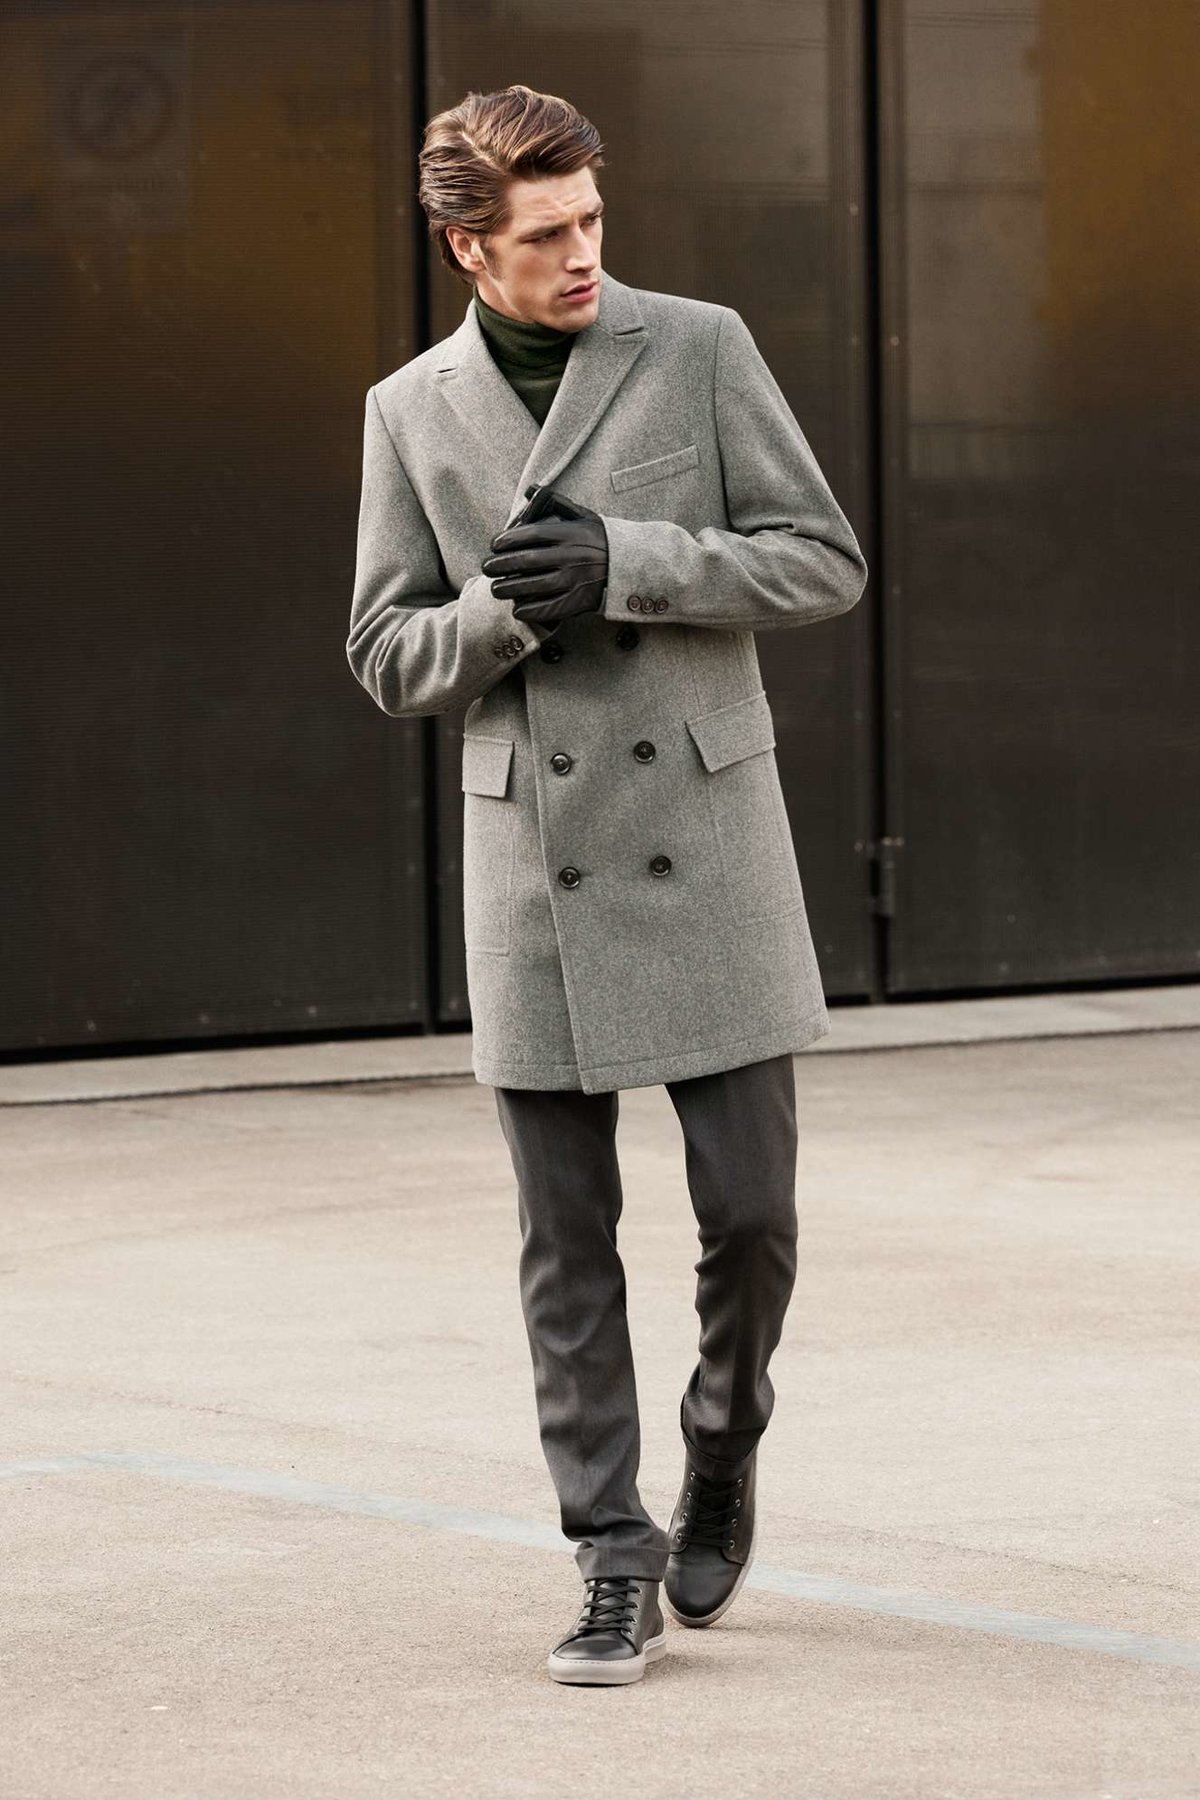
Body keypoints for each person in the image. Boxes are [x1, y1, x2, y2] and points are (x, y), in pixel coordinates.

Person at [346, 84, 867, 1686]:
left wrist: (631, 563)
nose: (583, 253)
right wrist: (507, 612)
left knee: (753, 1214)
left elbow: (822, 558)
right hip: (535, 863)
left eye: (591, 219)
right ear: (467, 248)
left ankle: (725, 1437)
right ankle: (611, 1553)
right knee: (566, 1241)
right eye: (545, 234)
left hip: (704, 832)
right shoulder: (410, 409)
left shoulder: (695, 345)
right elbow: (385, 650)